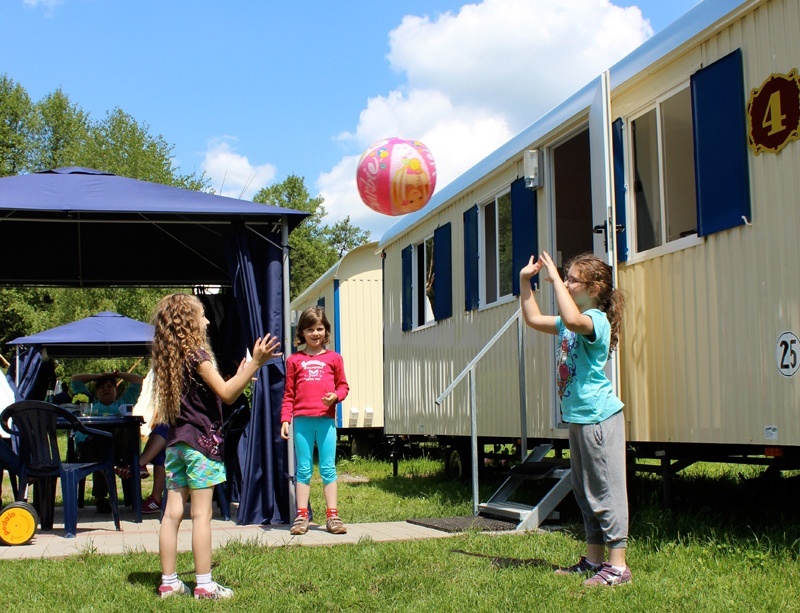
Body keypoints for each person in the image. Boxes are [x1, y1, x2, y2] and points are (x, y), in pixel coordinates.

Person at [151, 293, 281, 600]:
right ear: (187, 322)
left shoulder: (172, 359)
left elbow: (218, 389)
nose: (208, 321)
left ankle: (168, 583)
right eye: (202, 315)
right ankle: (205, 585)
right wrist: (256, 363)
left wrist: (242, 373)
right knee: (201, 515)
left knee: (171, 514)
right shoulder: (198, 355)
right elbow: (227, 393)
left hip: (176, 445)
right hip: (200, 445)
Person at [519, 251, 631, 587]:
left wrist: (555, 280)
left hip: (599, 420)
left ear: (594, 288)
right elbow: (533, 319)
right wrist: (525, 281)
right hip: (580, 420)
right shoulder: (572, 321)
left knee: (607, 491)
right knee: (585, 492)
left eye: (572, 280)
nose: (566, 284)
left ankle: (618, 567)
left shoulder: (595, 320)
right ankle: (594, 560)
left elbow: (569, 320)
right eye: (565, 278)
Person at [280, 306, 350, 536]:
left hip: (326, 422)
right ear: (302, 332)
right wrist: (285, 419)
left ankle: (333, 516)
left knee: (328, 468)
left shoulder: (334, 358)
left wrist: (335, 397)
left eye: (319, 329)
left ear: (326, 330)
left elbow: (343, 386)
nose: (315, 334)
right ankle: (302, 516)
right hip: (301, 422)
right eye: (310, 329)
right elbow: (288, 393)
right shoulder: (294, 360)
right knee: (303, 469)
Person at [71, 370, 144, 513]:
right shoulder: (89, 404)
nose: (106, 389)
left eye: (110, 386)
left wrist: (117, 375)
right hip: (90, 447)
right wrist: (99, 376)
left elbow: (137, 380)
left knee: (114, 439)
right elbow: (75, 378)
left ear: (116, 391)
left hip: (118, 448)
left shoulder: (124, 403)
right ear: (96, 392)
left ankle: (103, 498)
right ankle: (102, 499)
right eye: (102, 387)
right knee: (101, 453)